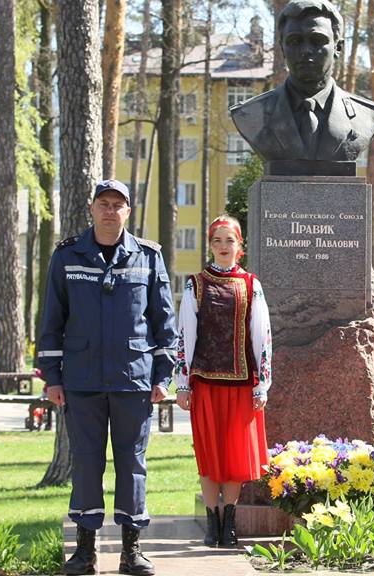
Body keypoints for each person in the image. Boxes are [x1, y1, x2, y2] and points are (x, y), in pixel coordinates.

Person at [38, 180, 177, 576]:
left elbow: (163, 324)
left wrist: (162, 375)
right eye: (104, 203)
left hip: (133, 380)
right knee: (86, 463)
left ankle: (132, 551)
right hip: (81, 381)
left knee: (132, 464)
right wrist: (52, 377)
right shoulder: (67, 256)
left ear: (128, 211)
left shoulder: (148, 257)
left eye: (118, 204)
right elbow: (51, 320)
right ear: (91, 208)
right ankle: (85, 551)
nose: (110, 211)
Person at [174, 215, 272, 548]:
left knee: (234, 457)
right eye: (218, 240)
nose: (224, 246)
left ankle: (230, 521)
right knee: (209, 455)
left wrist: (262, 384)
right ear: (210, 245)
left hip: (242, 383)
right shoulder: (196, 284)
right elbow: (185, 334)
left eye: (230, 240)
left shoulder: (251, 285)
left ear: (239, 246)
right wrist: (183, 383)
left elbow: (262, 336)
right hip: (205, 382)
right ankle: (212, 523)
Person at [230, 0, 374, 176]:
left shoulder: (367, 117)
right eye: (295, 41)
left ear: (338, 47)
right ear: (282, 48)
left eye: (317, 40)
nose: (305, 51)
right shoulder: (250, 115)